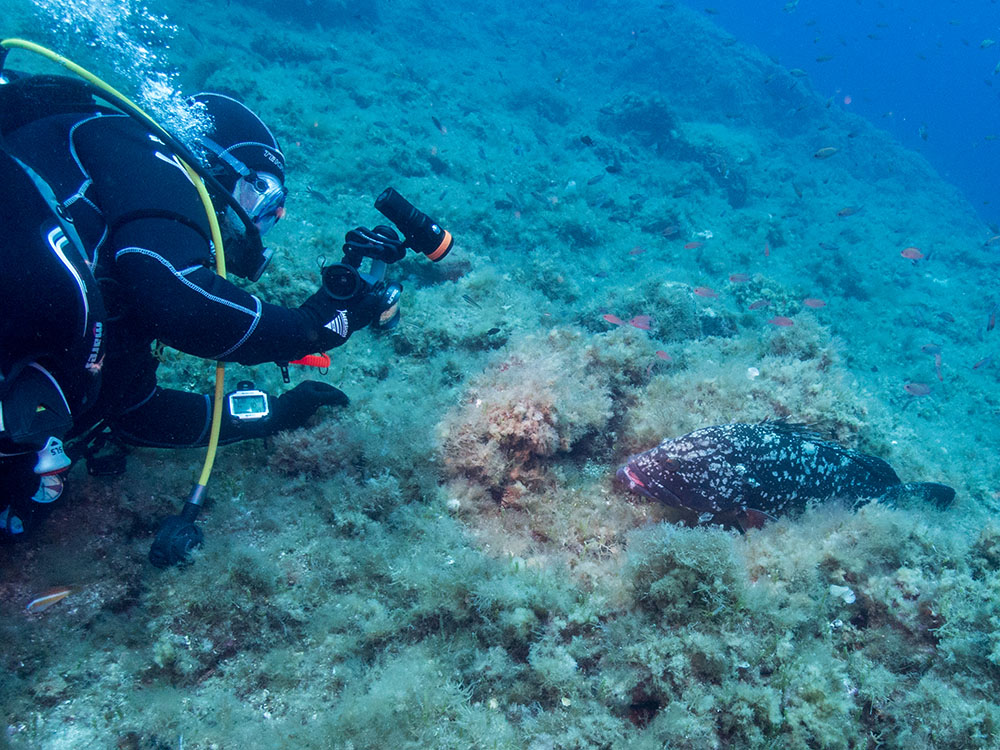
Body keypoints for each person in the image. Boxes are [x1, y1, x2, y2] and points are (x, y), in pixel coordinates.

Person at [0, 74, 402, 541]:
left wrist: (272, 414)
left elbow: (133, 410)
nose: (259, 225)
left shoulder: (109, 245)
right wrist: (310, 328)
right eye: (262, 199)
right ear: (215, 164)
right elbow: (179, 300)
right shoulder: (145, 150)